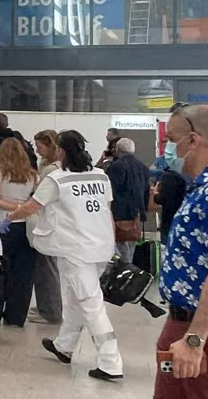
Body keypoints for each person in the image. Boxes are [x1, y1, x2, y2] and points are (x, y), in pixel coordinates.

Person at [88, 105, 208, 399]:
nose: (165, 150)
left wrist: (196, 338)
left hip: (202, 333)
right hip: (179, 326)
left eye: (172, 139)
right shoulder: (199, 188)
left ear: (193, 140)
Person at [8, 130, 123, 381]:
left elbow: (32, 207)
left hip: (76, 249)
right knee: (74, 298)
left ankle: (110, 362)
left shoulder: (57, 180)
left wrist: (10, 217)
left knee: (91, 304)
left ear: (60, 151)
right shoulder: (100, 176)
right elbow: (107, 210)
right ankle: (64, 346)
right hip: (102, 246)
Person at [0, 137, 40, 327]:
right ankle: (16, 316)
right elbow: (36, 201)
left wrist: (13, 207)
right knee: (23, 273)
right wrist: (22, 207)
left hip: (1, 224)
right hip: (26, 226)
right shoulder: (33, 175)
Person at [28, 129, 64, 325]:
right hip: (55, 224)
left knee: (46, 269)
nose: (37, 150)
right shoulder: (57, 167)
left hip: (47, 224)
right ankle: (49, 306)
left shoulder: (51, 171)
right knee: (50, 268)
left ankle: (50, 310)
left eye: (40, 147)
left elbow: (38, 197)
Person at [107, 137, 149, 265]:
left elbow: (110, 192)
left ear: (117, 150)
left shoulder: (116, 167)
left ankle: (124, 277)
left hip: (119, 214)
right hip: (136, 215)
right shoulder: (143, 167)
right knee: (130, 248)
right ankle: (129, 272)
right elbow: (146, 192)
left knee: (119, 251)